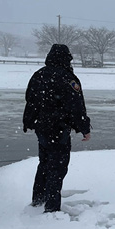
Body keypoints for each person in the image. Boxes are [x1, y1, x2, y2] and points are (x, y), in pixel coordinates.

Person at [23, 44, 91, 213]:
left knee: (44, 163)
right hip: (59, 129)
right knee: (57, 167)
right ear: (67, 59)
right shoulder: (68, 78)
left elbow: (30, 101)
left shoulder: (38, 75)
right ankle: (51, 207)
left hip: (42, 128)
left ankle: (38, 199)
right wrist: (84, 128)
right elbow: (76, 106)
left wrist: (29, 121)